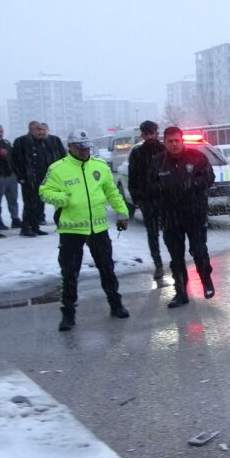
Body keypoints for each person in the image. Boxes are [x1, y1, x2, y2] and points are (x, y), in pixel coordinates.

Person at [39, 129, 130, 332]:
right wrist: (63, 199)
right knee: (70, 273)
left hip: (98, 227)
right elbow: (44, 191)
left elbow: (112, 192)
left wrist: (122, 213)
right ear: (69, 147)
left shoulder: (99, 166)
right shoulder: (58, 169)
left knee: (107, 268)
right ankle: (68, 314)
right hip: (72, 229)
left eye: (87, 147)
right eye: (79, 148)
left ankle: (116, 304)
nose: (84, 151)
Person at [150, 126, 215, 308]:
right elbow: (150, 187)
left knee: (199, 251)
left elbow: (209, 178)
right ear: (164, 142)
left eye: (177, 140)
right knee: (176, 257)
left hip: (194, 214)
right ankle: (180, 292)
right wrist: (163, 192)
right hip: (170, 216)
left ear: (182, 140)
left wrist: (191, 184)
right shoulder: (158, 162)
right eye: (170, 141)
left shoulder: (197, 157)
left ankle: (206, 281)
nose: (174, 144)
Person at [127, 120, 167, 279]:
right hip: (147, 199)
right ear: (142, 135)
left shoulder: (165, 150)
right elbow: (132, 177)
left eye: (152, 133)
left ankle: (175, 261)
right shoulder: (137, 153)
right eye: (146, 133)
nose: (149, 136)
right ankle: (158, 264)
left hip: (165, 198)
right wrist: (137, 198)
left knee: (170, 231)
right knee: (152, 233)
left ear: (156, 133)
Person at [12, 121, 63, 236]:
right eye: (38, 129)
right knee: (29, 204)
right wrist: (21, 177)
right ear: (31, 129)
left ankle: (35, 227)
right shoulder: (21, 141)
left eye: (41, 129)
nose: (40, 132)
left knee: (38, 203)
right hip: (28, 179)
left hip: (41, 178)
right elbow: (15, 160)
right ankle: (26, 228)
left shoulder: (41, 142)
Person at [0, 124, 21, 229]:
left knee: (13, 199)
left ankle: (15, 219)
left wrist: (15, 172)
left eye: (1, 131)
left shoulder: (7, 143)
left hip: (11, 175)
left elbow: (13, 157)